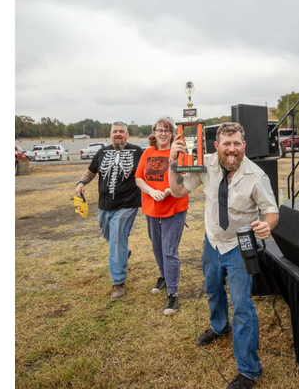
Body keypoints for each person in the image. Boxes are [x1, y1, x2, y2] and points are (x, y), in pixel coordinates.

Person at [168, 122, 279, 389]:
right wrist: (173, 163)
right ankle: (219, 327)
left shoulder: (256, 175)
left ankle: (249, 370)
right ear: (216, 146)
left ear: (244, 145)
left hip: (240, 246)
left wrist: (267, 225)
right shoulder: (205, 164)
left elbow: (272, 212)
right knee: (213, 289)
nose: (232, 150)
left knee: (242, 307)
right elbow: (178, 190)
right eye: (226, 144)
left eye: (237, 144)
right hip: (212, 241)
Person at [75, 121, 143, 300]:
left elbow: (148, 171)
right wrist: (81, 183)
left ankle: (118, 282)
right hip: (104, 206)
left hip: (127, 205)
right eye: (115, 131)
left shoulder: (137, 152)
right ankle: (123, 251)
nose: (118, 134)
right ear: (110, 134)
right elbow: (91, 171)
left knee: (117, 237)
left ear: (127, 135)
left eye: (122, 131)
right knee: (111, 237)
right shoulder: (101, 152)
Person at [135, 116, 189, 316]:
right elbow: (139, 178)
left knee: (169, 250)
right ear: (154, 132)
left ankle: (173, 294)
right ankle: (164, 276)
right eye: (160, 130)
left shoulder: (178, 153)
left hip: (174, 205)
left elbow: (185, 178)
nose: (163, 133)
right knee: (157, 247)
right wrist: (150, 191)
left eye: (167, 130)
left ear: (172, 133)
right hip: (151, 207)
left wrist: (168, 191)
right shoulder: (148, 152)